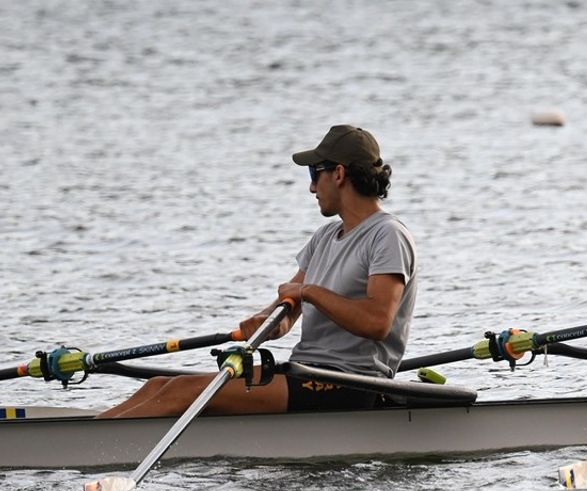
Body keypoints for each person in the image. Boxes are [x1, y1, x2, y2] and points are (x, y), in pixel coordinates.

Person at [99, 125, 417, 418]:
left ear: (338, 174)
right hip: (307, 373)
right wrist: (267, 321)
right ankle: (91, 433)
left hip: (352, 384)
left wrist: (309, 293)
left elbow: (377, 322)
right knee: (159, 385)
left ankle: (91, 450)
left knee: (182, 393)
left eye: (313, 173)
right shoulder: (324, 237)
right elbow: (289, 305)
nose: (310, 187)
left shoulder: (387, 235)